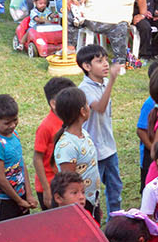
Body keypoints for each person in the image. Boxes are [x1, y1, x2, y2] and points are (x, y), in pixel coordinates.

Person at [76, 44, 126, 214]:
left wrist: (108, 82)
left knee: (115, 191)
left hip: (109, 148)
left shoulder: (103, 84)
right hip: (93, 152)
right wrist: (112, 80)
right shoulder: (84, 89)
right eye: (99, 61)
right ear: (86, 66)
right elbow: (100, 107)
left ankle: (115, 221)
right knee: (91, 193)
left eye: (106, 60)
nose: (105, 64)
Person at [53, 85, 104, 224]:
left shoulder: (84, 134)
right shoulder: (67, 146)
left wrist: (96, 206)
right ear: (83, 111)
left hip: (91, 200)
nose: (89, 107)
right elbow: (69, 183)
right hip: (79, 204)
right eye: (87, 104)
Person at [0, 94, 35, 221]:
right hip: (4, 200)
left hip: (20, 193)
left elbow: (21, 165)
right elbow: (0, 180)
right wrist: (19, 201)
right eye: (7, 123)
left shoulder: (14, 134)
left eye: (15, 120)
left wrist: (28, 194)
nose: (12, 125)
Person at [31, 77, 69, 209]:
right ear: (54, 104)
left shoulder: (69, 121)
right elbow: (37, 159)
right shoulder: (46, 127)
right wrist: (47, 190)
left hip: (64, 184)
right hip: (49, 187)